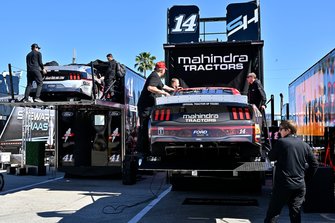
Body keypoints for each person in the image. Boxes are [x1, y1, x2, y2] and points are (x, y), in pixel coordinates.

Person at [264, 120, 318, 223]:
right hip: (299, 185)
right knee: (295, 213)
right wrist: (305, 179)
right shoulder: (304, 144)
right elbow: (315, 164)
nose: (279, 132)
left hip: (283, 185)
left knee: (273, 213)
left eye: (281, 129)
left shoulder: (281, 142)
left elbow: (271, 157)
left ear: (288, 130)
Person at [136, 61, 175, 155]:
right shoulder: (154, 76)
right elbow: (150, 88)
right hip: (145, 106)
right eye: (164, 70)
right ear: (161, 69)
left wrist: (174, 89)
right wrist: (164, 93)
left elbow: (163, 86)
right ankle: (143, 151)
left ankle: (144, 149)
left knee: (146, 126)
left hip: (148, 106)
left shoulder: (156, 77)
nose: (165, 72)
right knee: (144, 127)